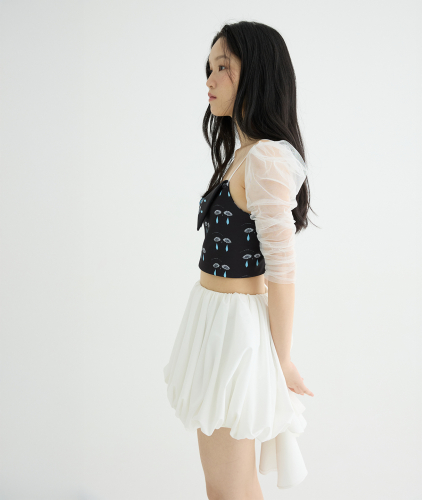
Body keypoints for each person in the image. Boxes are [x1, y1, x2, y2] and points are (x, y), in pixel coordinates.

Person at [163, 20, 316, 499]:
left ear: (257, 73)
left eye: (223, 67)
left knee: (229, 489)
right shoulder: (242, 155)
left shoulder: (266, 159)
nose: (210, 80)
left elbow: (283, 272)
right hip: (214, 319)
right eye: (209, 68)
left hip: (237, 334)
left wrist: (282, 360)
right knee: (225, 487)